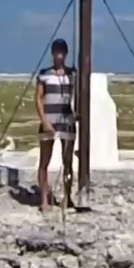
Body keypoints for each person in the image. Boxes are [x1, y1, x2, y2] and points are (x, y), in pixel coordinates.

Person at [35, 38, 77, 213]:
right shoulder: (44, 74)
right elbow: (38, 98)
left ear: (66, 54)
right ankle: (44, 200)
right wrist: (44, 121)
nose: (59, 55)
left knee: (67, 161)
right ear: (52, 53)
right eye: (56, 51)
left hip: (66, 122)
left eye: (62, 51)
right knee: (45, 161)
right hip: (48, 122)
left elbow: (81, 92)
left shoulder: (72, 74)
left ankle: (68, 197)